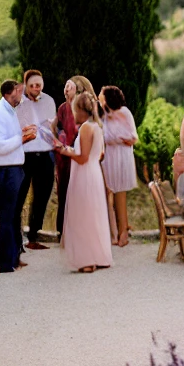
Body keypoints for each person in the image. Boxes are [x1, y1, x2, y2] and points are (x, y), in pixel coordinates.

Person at [55, 92, 111, 273]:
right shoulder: (97, 126)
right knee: (94, 215)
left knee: (83, 217)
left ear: (79, 110)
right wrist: (70, 149)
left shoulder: (86, 128)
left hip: (85, 175)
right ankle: (99, 255)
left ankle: (87, 260)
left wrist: (62, 150)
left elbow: (82, 158)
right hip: (93, 173)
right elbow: (97, 154)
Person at [0, 79, 37, 273]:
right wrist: (23, 138)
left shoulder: (10, 111)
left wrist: (22, 134)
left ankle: (13, 257)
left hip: (13, 168)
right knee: (6, 216)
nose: (22, 97)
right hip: (4, 170)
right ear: (12, 91)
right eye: (20, 92)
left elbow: (9, 140)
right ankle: (5, 262)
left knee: (13, 215)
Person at [15, 70, 56, 250]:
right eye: (32, 85)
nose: (35, 89)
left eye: (38, 85)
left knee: (42, 197)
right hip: (24, 155)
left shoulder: (49, 101)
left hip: (45, 153)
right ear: (25, 85)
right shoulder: (18, 103)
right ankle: (16, 237)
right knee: (19, 197)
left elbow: (51, 126)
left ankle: (33, 235)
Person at [55, 76, 96, 243]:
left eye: (69, 86)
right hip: (64, 157)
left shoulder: (86, 109)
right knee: (64, 192)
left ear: (78, 89)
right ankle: (62, 231)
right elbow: (58, 128)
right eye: (65, 86)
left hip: (80, 154)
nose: (66, 89)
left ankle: (80, 232)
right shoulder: (63, 108)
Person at [99, 86, 139, 247]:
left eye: (101, 95)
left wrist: (118, 139)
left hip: (121, 156)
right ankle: (113, 233)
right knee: (109, 195)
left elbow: (133, 137)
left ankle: (123, 233)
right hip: (108, 156)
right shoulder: (103, 116)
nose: (98, 97)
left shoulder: (124, 112)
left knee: (119, 195)